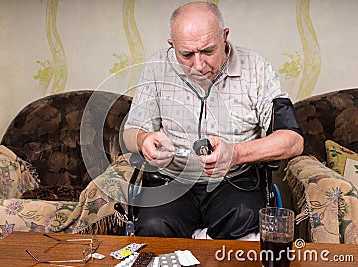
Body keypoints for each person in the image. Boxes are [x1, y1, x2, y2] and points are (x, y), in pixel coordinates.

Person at [122, 1, 303, 240]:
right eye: (186, 54)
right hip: (172, 181)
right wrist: (144, 140)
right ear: (172, 45)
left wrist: (236, 153)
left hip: (234, 181)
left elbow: (293, 140)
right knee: (153, 226)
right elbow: (130, 133)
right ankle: (201, 239)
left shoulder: (257, 68)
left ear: (224, 36)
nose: (199, 65)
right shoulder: (157, 68)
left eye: (208, 51)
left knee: (246, 217)